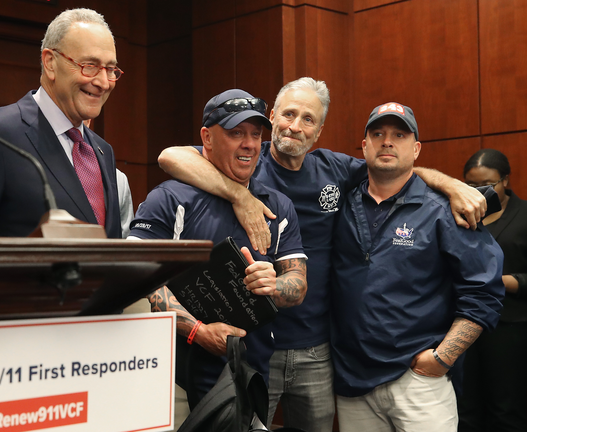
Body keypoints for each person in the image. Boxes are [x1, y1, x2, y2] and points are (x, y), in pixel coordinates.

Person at [158, 78, 488, 432]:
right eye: (288, 114)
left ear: (319, 132)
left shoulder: (334, 170)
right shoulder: (246, 160)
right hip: (251, 347)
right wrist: (240, 196)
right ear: (272, 118)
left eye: (308, 119)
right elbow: (171, 156)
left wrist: (454, 185)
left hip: (318, 348)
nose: (296, 126)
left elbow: (394, 167)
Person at [127, 89, 308, 409]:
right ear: (206, 138)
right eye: (236, 133)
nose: (249, 144)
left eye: (255, 134)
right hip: (175, 378)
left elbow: (297, 284)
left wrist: (275, 284)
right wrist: (197, 331)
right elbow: (139, 275)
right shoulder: (170, 198)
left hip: (252, 378)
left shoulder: (278, 206)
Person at [330, 102, 505, 432]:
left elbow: (484, 292)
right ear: (364, 146)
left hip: (418, 381)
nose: (387, 142)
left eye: (399, 134)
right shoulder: (341, 204)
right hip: (352, 383)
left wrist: (442, 358)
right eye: (378, 134)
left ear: (416, 149)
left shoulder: (444, 211)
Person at [0, 8, 124, 238]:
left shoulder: (103, 151)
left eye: (110, 69)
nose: (104, 82)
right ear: (50, 63)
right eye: (90, 66)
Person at [458, 149, 527, 432]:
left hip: (510, 328)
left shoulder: (529, 217)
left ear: (505, 181)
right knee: (466, 408)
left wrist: (502, 281)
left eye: (488, 183)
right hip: (463, 325)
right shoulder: (457, 216)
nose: (480, 191)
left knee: (505, 408)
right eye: (471, 185)